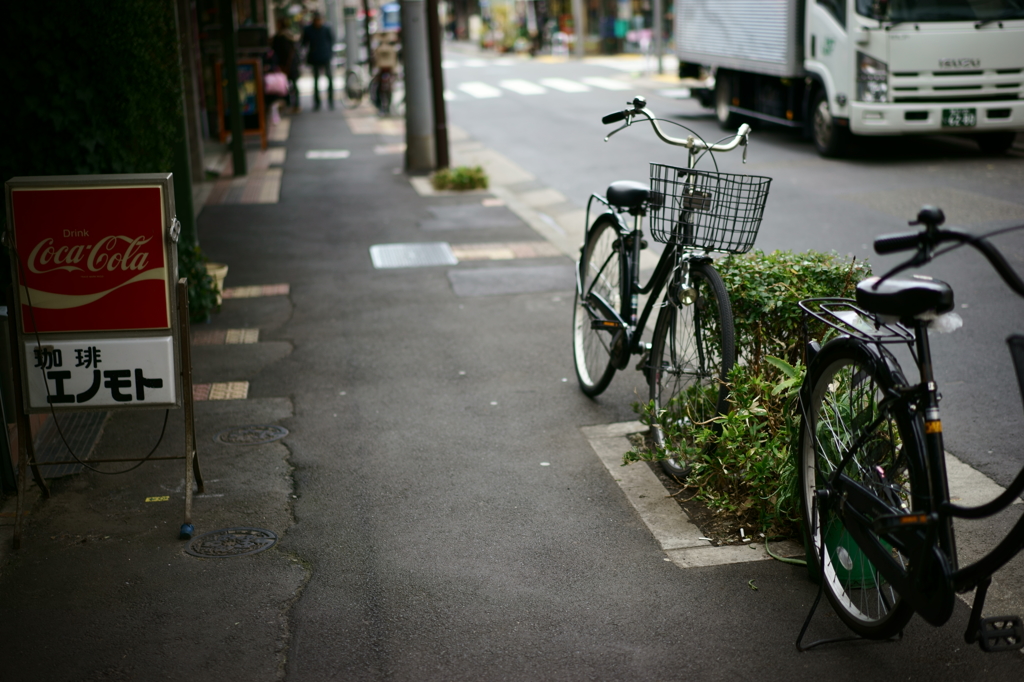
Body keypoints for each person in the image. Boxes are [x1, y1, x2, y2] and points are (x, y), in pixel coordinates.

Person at [301, 12, 334, 110]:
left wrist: (329, 53)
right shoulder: (308, 30)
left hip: (325, 57)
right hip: (314, 58)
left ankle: (331, 101)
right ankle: (317, 103)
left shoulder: (326, 29)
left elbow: (331, 41)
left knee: (329, 79)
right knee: (316, 81)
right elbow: (304, 43)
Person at [271, 18, 300, 113]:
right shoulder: (290, 36)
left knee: (285, 85)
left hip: (285, 65)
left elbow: (280, 52)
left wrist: (282, 65)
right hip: (292, 64)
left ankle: (289, 104)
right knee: (292, 85)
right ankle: (295, 104)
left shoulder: (280, 37)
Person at [372, 32, 399, 114]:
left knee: (381, 87)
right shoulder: (391, 47)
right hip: (386, 69)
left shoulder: (379, 47)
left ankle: (383, 105)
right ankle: (384, 105)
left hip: (384, 69)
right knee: (383, 87)